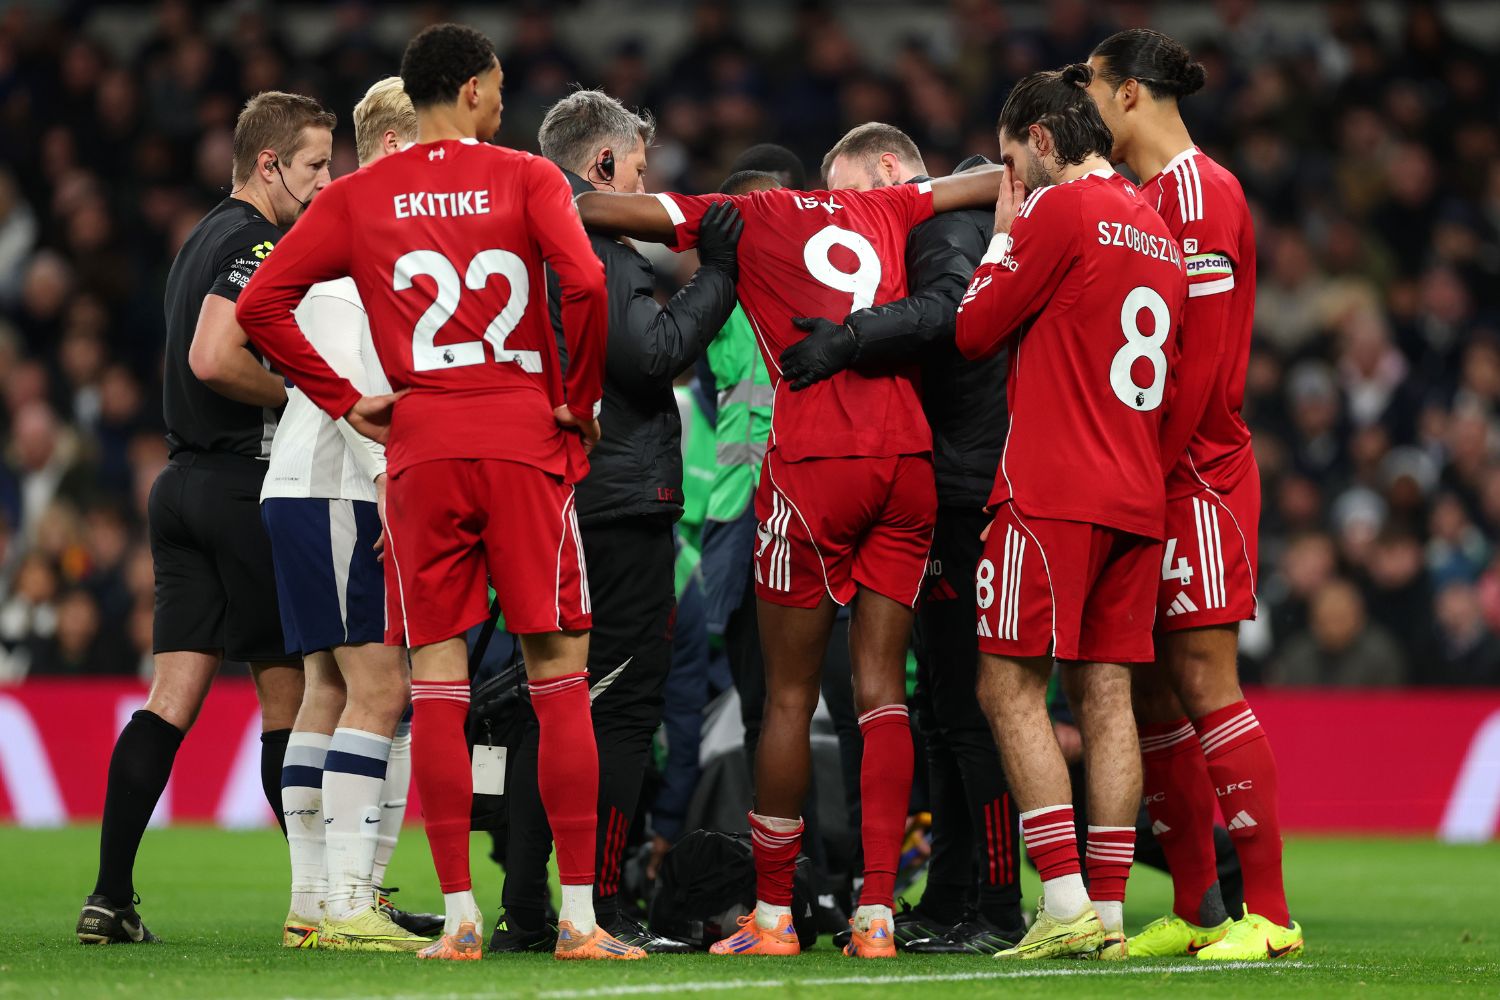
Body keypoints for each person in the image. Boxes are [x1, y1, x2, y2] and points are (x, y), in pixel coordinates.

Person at [235, 23, 643, 963]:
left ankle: (459, 917)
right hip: (520, 436)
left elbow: (262, 306)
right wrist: (576, 401)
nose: (503, 103)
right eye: (496, 89)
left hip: (420, 447)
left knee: (439, 684)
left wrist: (345, 400)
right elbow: (581, 280)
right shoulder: (529, 177)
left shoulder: (358, 194)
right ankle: (578, 920)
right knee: (561, 670)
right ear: (467, 93)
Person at [576, 153, 1004, 959]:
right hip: (908, 462)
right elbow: (988, 179)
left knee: (786, 698)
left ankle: (773, 917)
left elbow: (603, 211)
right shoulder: (889, 204)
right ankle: (876, 914)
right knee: (882, 692)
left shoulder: (749, 216)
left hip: (815, 468)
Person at [76, 90, 334, 946]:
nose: (325, 183)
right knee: (287, 699)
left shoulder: (198, 239)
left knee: (170, 699)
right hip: (239, 488)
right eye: (314, 166)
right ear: (270, 165)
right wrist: (302, 394)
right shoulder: (257, 241)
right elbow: (214, 356)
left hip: (180, 484)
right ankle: (324, 903)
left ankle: (110, 896)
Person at [488, 88, 741, 955]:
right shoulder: (600, 251)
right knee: (622, 708)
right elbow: (655, 353)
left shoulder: (515, 242)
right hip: (616, 501)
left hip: (543, 497)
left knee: (546, 703)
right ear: (601, 167)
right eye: (638, 167)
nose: (644, 185)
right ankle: (591, 905)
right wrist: (720, 277)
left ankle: (527, 905)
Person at [954, 66, 1186, 960]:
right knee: (1106, 695)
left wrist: (1004, 236)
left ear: (1042, 141)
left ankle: (1060, 904)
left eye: (1014, 162)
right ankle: (1113, 917)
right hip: (1135, 494)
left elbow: (976, 331)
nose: (1013, 180)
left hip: (1052, 491)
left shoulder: (1060, 209)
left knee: (1005, 684)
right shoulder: (1157, 228)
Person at [1085, 28, 1303, 961]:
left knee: (1210, 684)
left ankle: (1273, 915)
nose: (1083, 109)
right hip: (1153, 476)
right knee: (1151, 702)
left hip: (1197, 479)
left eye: (1091, 90)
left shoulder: (1200, 194)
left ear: (1130, 94)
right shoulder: (1147, 197)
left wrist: (1150, 475)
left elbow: (1203, 370)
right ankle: (1198, 904)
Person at [801, 123, 1022, 954]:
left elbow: (949, 316)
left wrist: (850, 339)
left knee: (969, 706)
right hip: (948, 480)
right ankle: (956, 890)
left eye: (852, 192)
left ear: (890, 170)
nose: (844, 215)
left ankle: (999, 901)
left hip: (971, 488)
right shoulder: (943, 224)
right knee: (937, 708)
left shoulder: (947, 226)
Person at [260, 76, 439, 952]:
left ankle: (315, 903)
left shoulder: (372, 238)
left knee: (328, 690)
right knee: (383, 687)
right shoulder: (357, 248)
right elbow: (346, 393)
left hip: (311, 490)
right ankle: (346, 903)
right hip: (340, 490)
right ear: (401, 146)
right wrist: (395, 486)